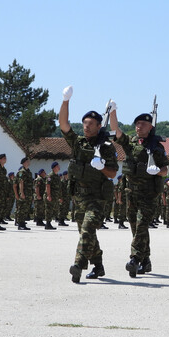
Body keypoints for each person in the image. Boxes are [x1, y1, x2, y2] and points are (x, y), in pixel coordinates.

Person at [59, 86, 118, 283]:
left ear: (99, 126)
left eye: (90, 124)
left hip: (97, 198)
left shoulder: (107, 147)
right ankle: (98, 264)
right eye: (84, 123)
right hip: (79, 196)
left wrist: (101, 166)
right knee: (87, 233)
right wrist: (65, 100)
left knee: (87, 230)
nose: (86, 126)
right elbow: (64, 124)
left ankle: (78, 265)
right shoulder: (78, 143)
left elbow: (113, 172)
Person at [110, 105, 169, 278]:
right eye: (137, 124)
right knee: (136, 228)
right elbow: (116, 130)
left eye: (143, 124)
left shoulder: (157, 147)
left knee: (142, 224)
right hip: (131, 192)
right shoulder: (131, 143)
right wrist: (113, 112)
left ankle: (135, 259)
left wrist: (156, 171)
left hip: (149, 194)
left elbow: (166, 170)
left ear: (150, 127)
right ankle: (146, 260)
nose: (139, 127)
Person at [15, 157, 34, 230]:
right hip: (24, 193)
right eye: (28, 161)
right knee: (22, 208)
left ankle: (23, 223)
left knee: (26, 209)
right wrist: (21, 193)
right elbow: (21, 183)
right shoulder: (21, 172)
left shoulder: (29, 172)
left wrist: (32, 195)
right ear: (24, 163)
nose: (29, 162)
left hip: (28, 193)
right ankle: (20, 224)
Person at [44, 161, 62, 230]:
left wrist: (60, 197)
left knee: (51, 209)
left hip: (55, 196)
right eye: (58, 166)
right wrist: (48, 195)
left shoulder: (57, 176)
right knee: (49, 209)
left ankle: (49, 223)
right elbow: (48, 186)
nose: (59, 167)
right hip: (50, 196)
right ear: (54, 168)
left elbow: (58, 188)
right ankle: (48, 224)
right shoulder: (50, 176)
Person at [0, 154, 8, 230]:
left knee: (1, 207)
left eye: (5, 158)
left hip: (2, 192)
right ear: (0, 160)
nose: (5, 159)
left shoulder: (4, 170)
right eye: (4, 158)